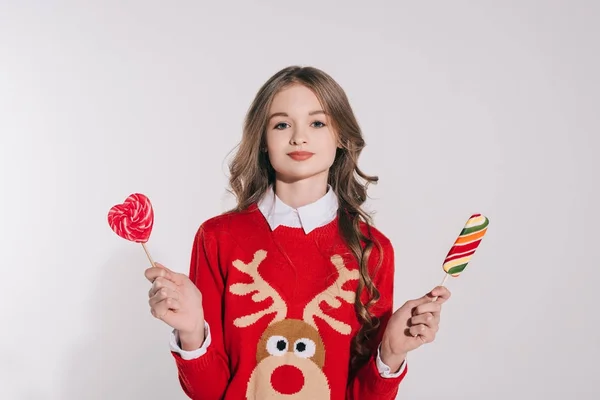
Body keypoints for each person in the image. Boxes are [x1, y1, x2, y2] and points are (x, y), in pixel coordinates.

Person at [144, 66, 451, 400]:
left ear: (342, 138)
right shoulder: (218, 237)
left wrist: (391, 353)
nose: (298, 137)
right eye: (281, 124)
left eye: (317, 123)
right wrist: (190, 332)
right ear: (262, 140)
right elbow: (210, 392)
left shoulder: (372, 250)